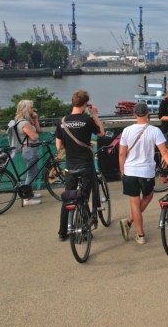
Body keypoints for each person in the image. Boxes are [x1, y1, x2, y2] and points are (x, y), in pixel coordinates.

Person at [118, 102, 168, 245]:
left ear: (134, 115)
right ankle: (133, 226)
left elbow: (122, 154)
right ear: (148, 113)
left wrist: (122, 170)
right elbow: (164, 152)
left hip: (129, 170)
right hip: (146, 171)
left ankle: (136, 230)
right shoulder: (155, 131)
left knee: (134, 203)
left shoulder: (127, 131)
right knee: (148, 195)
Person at [54, 90, 104, 241]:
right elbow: (101, 133)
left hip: (71, 165)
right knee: (83, 197)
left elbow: (58, 146)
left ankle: (63, 232)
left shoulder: (62, 121)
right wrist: (94, 114)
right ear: (85, 104)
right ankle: (84, 229)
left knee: (69, 196)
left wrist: (71, 146)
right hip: (86, 164)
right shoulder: (87, 120)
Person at [10, 99, 42, 207]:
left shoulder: (25, 121)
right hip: (29, 150)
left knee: (33, 172)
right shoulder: (24, 123)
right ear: (26, 109)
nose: (33, 109)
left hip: (30, 149)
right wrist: (35, 135)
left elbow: (38, 130)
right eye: (31, 107)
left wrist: (35, 118)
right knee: (32, 174)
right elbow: (34, 136)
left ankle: (29, 193)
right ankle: (27, 198)